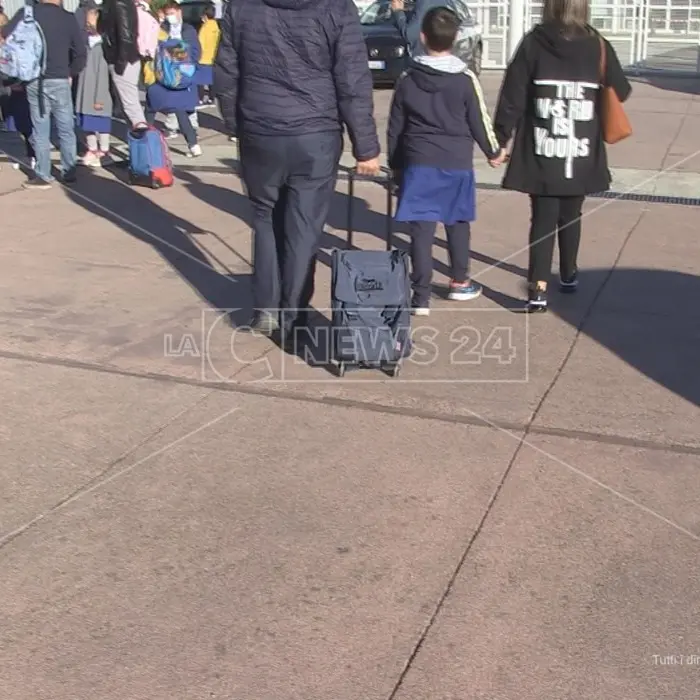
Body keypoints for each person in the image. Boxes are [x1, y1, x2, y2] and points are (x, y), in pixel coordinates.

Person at [214, 0, 381, 337]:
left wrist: (234, 123)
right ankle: (294, 313)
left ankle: (266, 307)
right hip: (314, 133)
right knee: (303, 228)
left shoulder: (240, 6)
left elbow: (226, 71)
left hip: (260, 129)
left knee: (264, 218)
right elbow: (352, 78)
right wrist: (366, 147)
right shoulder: (336, 7)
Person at [493, 0, 631, 312]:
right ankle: (568, 273)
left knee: (542, 217)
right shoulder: (598, 45)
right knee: (572, 212)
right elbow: (621, 90)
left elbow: (512, 97)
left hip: (542, 147)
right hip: (580, 149)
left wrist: (501, 139)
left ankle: (538, 288)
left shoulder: (533, 42)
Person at [387, 7, 502, 316]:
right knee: (457, 223)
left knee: (421, 231)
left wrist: (395, 165)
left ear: (422, 37)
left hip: (418, 161)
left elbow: (395, 127)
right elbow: (479, 120)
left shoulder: (407, 78)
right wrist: (493, 151)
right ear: (455, 39)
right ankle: (459, 280)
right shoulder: (465, 79)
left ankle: (420, 295)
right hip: (456, 161)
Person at [1, 0, 87, 190]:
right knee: (66, 126)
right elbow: (81, 52)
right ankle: (69, 170)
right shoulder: (68, 18)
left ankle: (43, 174)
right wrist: (70, 72)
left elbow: (6, 35)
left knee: (40, 128)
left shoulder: (27, 14)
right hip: (60, 78)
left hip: (34, 79)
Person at [143, 1, 202, 157]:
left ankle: (193, 143)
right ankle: (143, 139)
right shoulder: (162, 29)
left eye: (172, 13)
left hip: (178, 76)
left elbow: (194, 53)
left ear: (179, 12)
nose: (170, 17)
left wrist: (173, 50)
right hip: (161, 76)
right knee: (151, 108)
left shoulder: (188, 30)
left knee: (178, 109)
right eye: (167, 13)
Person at [75, 0, 113, 167]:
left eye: (90, 21)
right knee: (88, 124)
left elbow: (103, 77)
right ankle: (92, 149)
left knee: (101, 124)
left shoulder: (102, 47)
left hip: (99, 95)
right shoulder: (87, 45)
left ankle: (103, 151)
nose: (87, 24)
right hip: (85, 93)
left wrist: (100, 98)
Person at [99, 0, 148, 129]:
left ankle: (144, 143)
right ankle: (138, 143)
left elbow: (126, 36)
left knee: (131, 106)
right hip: (120, 57)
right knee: (127, 106)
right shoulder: (114, 4)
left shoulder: (119, 4)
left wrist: (121, 62)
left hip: (123, 59)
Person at [196, 3, 220, 108]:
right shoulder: (217, 27)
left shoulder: (204, 28)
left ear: (205, 16)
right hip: (214, 58)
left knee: (199, 80)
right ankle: (211, 99)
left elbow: (200, 44)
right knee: (212, 81)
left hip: (203, 58)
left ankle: (200, 99)